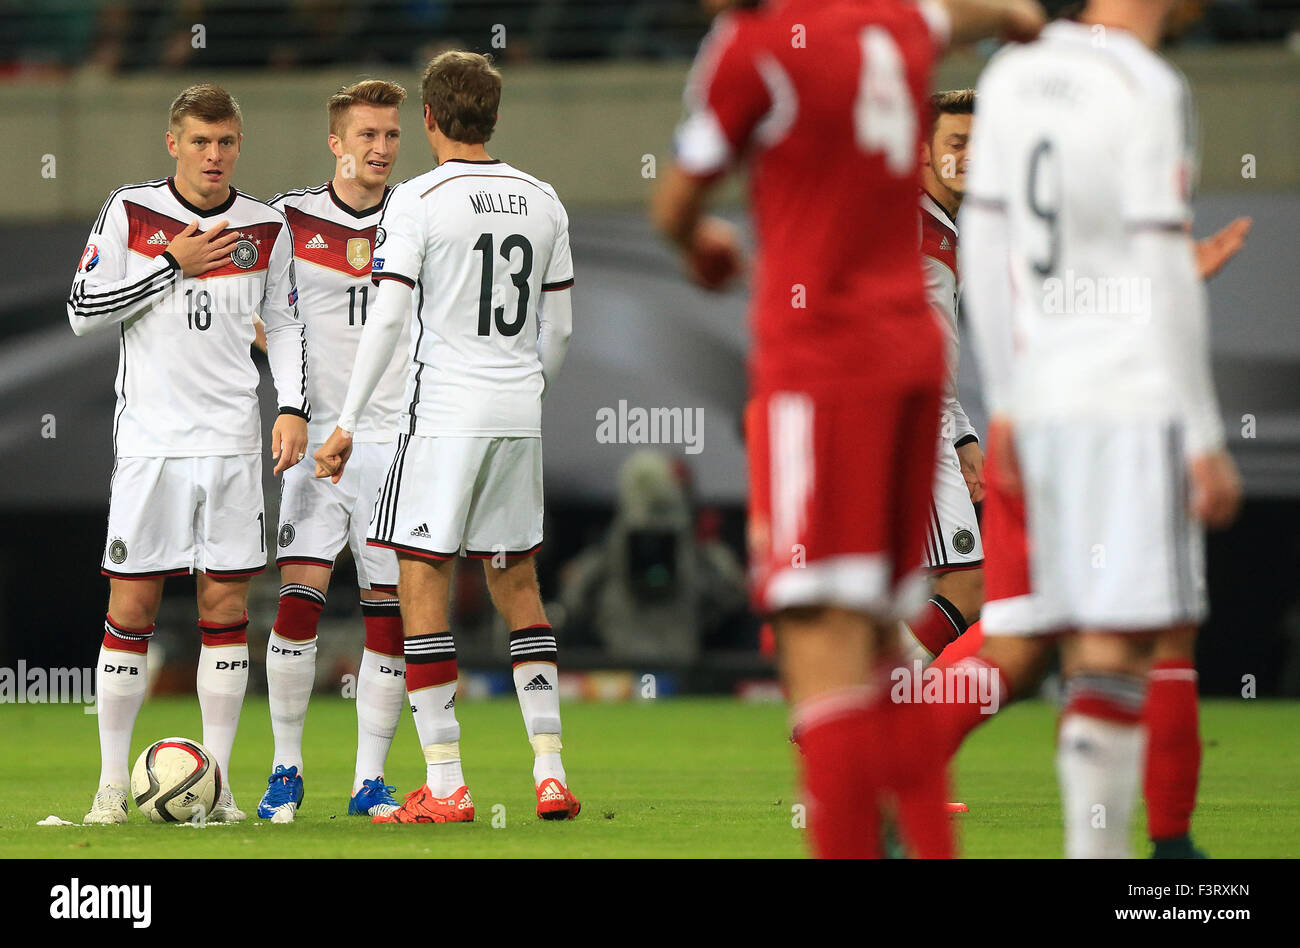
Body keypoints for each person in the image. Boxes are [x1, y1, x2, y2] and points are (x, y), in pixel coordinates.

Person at [651, 0, 1045, 858]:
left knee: (824, 648)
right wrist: (1018, 19)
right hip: (911, 366)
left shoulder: (751, 48)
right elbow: (983, 12)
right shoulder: (896, 20)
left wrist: (699, 243)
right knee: (881, 638)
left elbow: (678, 199)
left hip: (822, 366)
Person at [957, 0, 1242, 857]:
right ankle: (1133, 855)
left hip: (1040, 398)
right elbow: (1161, 264)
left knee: (1039, 636)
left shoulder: (1013, 74)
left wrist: (1005, 397)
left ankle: (891, 768)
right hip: (1128, 394)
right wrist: (1203, 435)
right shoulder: (1145, 83)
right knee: (1122, 641)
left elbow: (987, 240)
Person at [314, 51, 580, 824]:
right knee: (518, 585)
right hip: (516, 415)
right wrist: (524, 395)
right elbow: (557, 330)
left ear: (427, 118)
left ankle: (446, 782)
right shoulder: (543, 199)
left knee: (420, 581)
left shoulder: (418, 200)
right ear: (492, 117)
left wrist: (347, 422)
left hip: (444, 419)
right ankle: (551, 772)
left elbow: (390, 319)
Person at [70, 83, 309, 824]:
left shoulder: (267, 227)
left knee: (227, 605)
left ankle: (222, 788)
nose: (214, 155)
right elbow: (82, 311)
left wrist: (294, 405)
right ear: (172, 142)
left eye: (227, 142)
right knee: (132, 605)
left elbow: (288, 327)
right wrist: (170, 263)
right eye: (200, 142)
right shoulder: (131, 212)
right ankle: (111, 788)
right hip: (151, 444)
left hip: (233, 442)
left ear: (240, 145)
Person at [253, 79, 410, 822]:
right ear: (336, 142)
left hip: (392, 441)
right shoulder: (289, 220)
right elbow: (257, 316)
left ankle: (369, 782)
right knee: (298, 603)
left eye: (391, 136)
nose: (380, 149)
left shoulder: (416, 218)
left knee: (388, 612)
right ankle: (285, 772)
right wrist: (293, 394)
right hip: (317, 439)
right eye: (366, 136)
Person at [901, 89, 986, 664]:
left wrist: (963, 437)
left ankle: (849, 718)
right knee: (965, 585)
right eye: (958, 142)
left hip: (931, 424)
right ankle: (861, 713)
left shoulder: (941, 229)